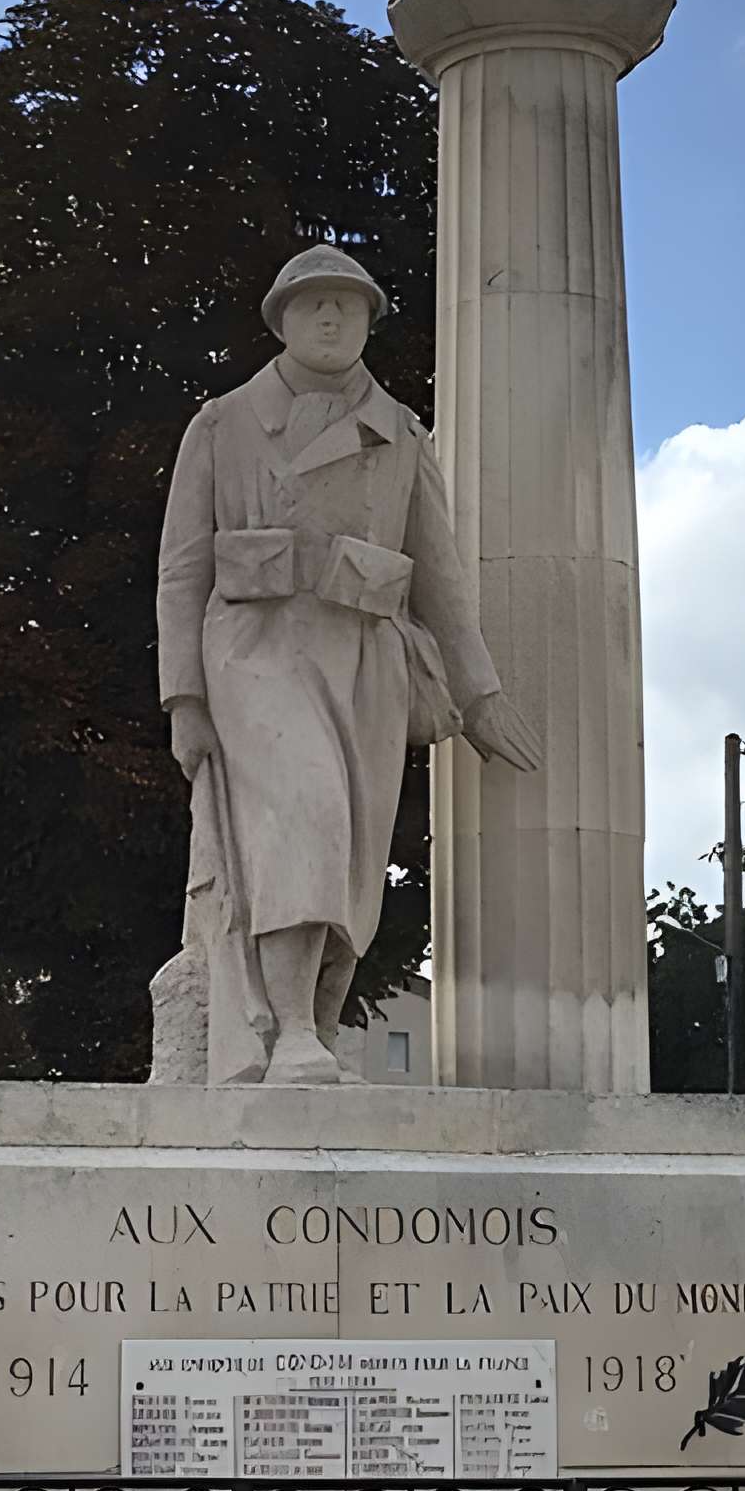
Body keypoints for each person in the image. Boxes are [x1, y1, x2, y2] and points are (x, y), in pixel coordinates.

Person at [156, 246, 538, 1085]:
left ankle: (315, 1029)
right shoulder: (222, 424)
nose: (332, 319)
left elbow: (440, 575)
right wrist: (183, 696)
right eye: (313, 304)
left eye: (349, 305)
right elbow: (182, 568)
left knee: (356, 858)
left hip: (364, 658)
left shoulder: (402, 433)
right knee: (307, 816)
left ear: (369, 319)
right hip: (255, 652)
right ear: (282, 318)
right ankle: (289, 1028)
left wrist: (480, 692)